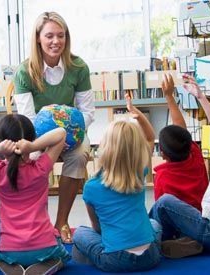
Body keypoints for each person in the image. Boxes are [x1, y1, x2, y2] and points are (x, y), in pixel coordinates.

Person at [13, 11, 95, 243]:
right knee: (32, 156)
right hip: (37, 135)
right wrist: (48, 142)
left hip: (72, 134)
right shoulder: (24, 71)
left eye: (61, 36)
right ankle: (37, 223)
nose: (56, 41)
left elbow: (88, 112)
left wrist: (69, 136)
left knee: (79, 155)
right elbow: (27, 118)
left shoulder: (78, 67)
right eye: (49, 36)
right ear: (38, 38)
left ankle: (62, 221)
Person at [72, 94, 161, 272]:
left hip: (116, 260)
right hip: (151, 256)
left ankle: (93, 258)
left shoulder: (91, 186)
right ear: (137, 149)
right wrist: (136, 113)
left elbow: (97, 228)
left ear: (105, 147)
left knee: (81, 233)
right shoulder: (139, 172)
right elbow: (151, 138)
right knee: (155, 225)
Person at [0, 114, 71, 275]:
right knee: (63, 254)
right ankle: (46, 265)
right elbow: (61, 133)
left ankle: (9, 265)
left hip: (9, 250)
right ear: (31, 138)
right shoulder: (40, 168)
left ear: (2, 140)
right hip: (43, 247)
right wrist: (32, 147)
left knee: (0, 253)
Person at [150, 75, 210, 258]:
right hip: (205, 220)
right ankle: (191, 241)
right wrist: (200, 96)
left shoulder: (165, 175)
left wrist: (197, 96)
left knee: (163, 204)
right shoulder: (195, 156)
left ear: (163, 154)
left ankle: (151, 243)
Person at [154, 74, 208, 211]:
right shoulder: (196, 158)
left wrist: (168, 95)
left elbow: (161, 210)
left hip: (180, 229)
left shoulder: (162, 177)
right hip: (203, 217)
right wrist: (169, 96)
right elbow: (181, 128)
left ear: (163, 154)